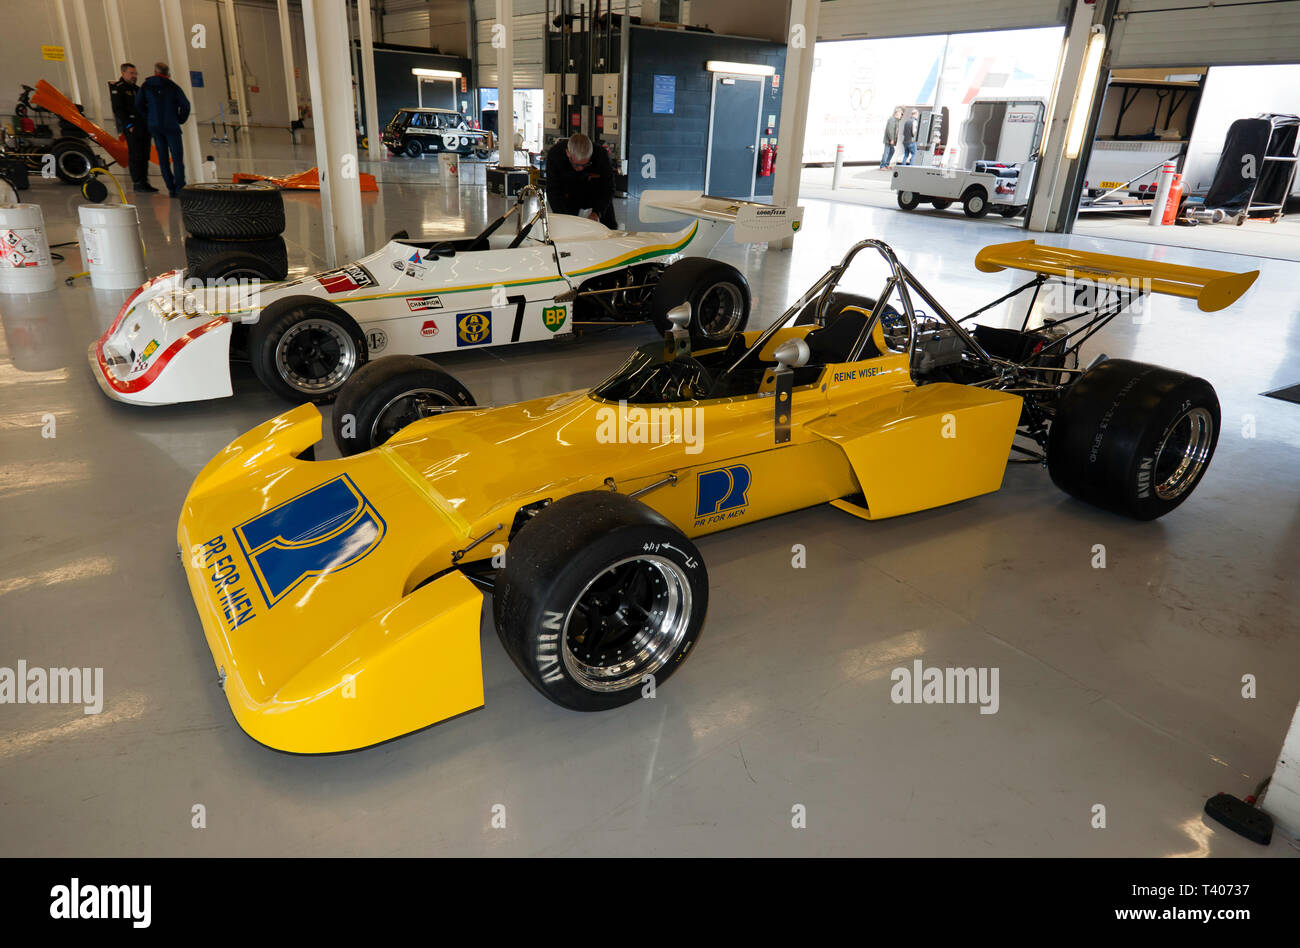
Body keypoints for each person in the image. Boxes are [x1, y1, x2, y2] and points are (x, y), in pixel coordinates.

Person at [136, 62, 191, 197]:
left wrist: (149, 117)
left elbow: (138, 104)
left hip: (155, 127)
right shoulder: (173, 87)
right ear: (168, 74)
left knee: (163, 158)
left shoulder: (146, 86)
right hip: (171, 127)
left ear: (155, 72)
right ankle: (179, 188)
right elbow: (186, 105)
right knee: (177, 159)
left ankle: (170, 188)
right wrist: (180, 119)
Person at [545, 133, 617, 229]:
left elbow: (608, 189)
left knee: (609, 228)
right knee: (566, 227)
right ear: (568, 153)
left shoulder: (601, 155)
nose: (580, 169)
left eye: (585, 165)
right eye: (576, 165)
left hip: (595, 192)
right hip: (568, 194)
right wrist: (563, 217)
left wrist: (597, 212)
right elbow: (553, 190)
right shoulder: (555, 156)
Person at [109, 63, 156, 193]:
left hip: (144, 125)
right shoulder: (118, 88)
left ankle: (144, 180)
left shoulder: (138, 89)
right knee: (136, 154)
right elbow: (118, 109)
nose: (134, 76)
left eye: (135, 73)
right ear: (123, 73)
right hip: (132, 126)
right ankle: (137, 182)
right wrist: (129, 125)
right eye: (132, 73)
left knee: (145, 153)